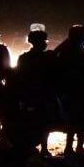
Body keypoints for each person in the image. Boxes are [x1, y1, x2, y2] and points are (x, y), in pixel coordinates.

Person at [15, 24, 55, 156]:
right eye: (43, 41)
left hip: (32, 95)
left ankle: (36, 147)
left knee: (37, 123)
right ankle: (41, 147)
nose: (45, 43)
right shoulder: (47, 57)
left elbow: (19, 77)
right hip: (39, 95)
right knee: (43, 123)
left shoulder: (24, 58)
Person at [54, 24, 84, 155]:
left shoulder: (65, 51)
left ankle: (71, 147)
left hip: (68, 91)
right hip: (75, 91)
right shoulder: (81, 52)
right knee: (79, 120)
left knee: (72, 120)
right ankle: (76, 147)